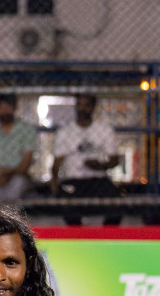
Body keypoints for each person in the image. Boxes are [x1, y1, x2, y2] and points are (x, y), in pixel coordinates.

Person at [50, 94, 122, 226]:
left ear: (93, 107)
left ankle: (107, 236)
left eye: (86, 105)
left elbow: (114, 160)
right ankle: (76, 236)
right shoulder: (65, 132)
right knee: (67, 205)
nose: (82, 109)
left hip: (98, 178)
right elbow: (57, 163)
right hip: (73, 179)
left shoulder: (104, 130)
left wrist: (100, 166)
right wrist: (54, 183)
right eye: (79, 104)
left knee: (116, 202)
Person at [0, 92, 37, 202]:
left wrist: (7, 173)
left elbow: (26, 164)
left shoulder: (27, 129)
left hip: (17, 174)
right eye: (1, 107)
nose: (5, 110)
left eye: (8, 106)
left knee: (17, 184)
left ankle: (7, 215)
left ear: (16, 107)